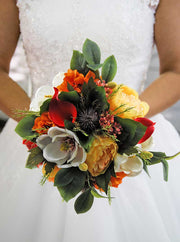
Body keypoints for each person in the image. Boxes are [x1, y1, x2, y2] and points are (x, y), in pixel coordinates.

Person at [0, 0, 180, 241]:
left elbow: (175, 70)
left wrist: (122, 121)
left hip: (130, 133)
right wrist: (40, 123)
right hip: (42, 138)